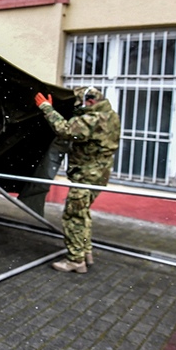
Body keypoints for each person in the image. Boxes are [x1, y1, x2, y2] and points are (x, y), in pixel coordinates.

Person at [34, 86, 121, 274]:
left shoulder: (93, 119)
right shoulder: (110, 115)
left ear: (90, 102)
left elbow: (65, 130)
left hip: (86, 176)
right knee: (83, 214)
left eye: (79, 105)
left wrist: (46, 108)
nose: (77, 109)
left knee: (73, 216)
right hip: (99, 175)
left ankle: (75, 260)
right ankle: (85, 252)